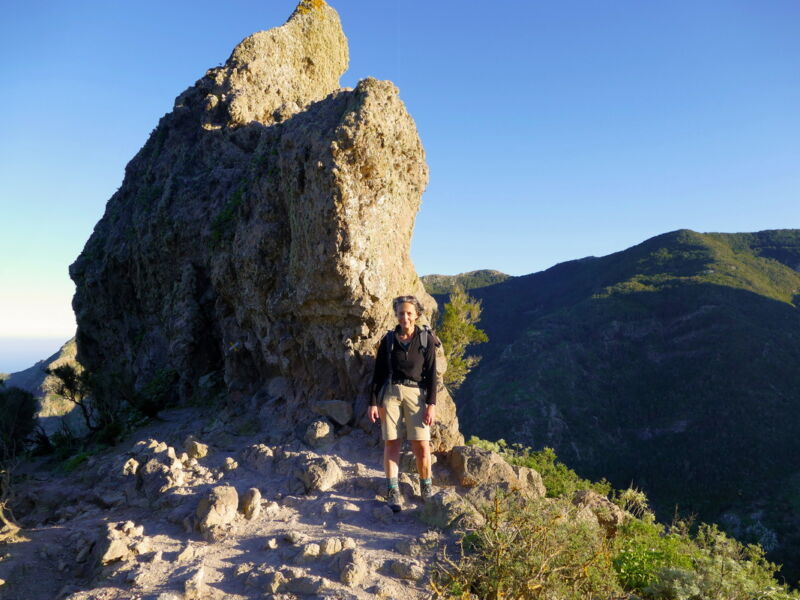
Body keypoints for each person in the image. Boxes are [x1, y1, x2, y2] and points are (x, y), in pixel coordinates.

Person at [368, 295, 437, 512]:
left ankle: (426, 487)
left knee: (422, 445)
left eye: (409, 313)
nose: (404, 317)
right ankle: (393, 490)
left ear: (416, 314)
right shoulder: (388, 340)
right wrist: (373, 402)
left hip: (417, 394)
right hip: (390, 393)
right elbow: (378, 374)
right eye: (400, 313)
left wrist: (431, 405)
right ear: (396, 315)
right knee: (392, 443)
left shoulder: (426, 340)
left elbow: (432, 375)